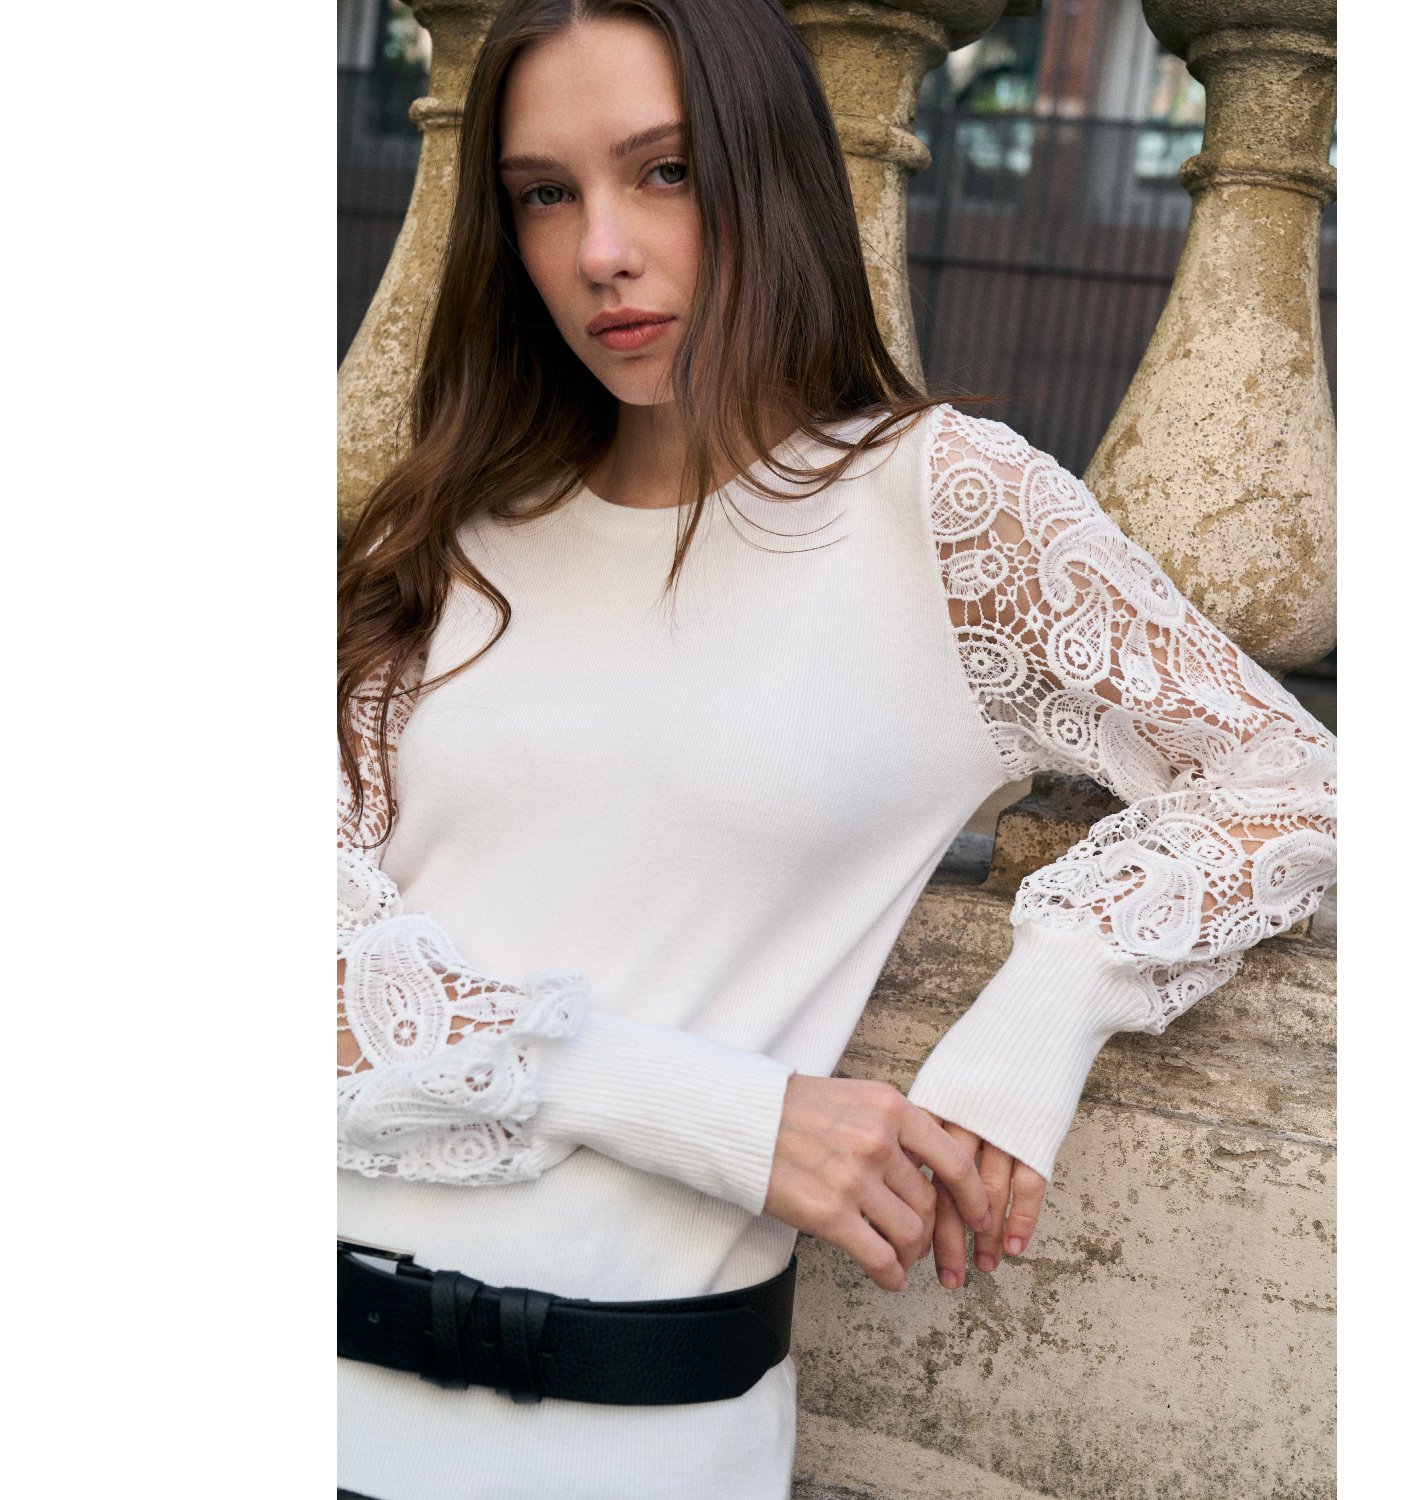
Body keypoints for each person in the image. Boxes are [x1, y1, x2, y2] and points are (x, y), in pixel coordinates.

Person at [334, 2, 1337, 1496]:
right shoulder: (447, 528)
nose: (600, 249)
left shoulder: (940, 509)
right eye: (543, 192)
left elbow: (1286, 778)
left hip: (642, 1438)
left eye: (666, 171)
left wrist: (1048, 1004)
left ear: (774, 172)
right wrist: (718, 1117)